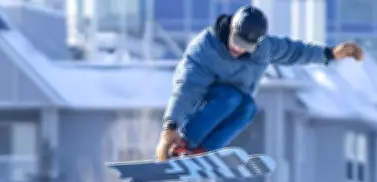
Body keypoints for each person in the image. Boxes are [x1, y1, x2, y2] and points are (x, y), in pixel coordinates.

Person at [156, 5, 364, 160]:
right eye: (236, 42)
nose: (238, 49)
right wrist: (170, 126)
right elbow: (187, 88)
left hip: (232, 105)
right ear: (230, 30)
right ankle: (183, 144)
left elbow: (294, 51)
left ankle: (202, 153)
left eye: (246, 46)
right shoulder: (205, 49)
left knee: (248, 107)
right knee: (230, 97)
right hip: (199, 109)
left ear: (257, 44)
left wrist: (330, 53)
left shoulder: (265, 49)